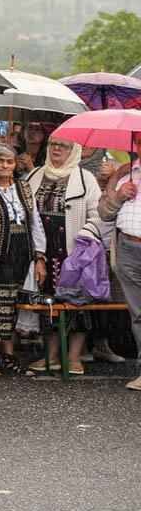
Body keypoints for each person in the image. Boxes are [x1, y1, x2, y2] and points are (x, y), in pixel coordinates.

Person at [27, 135, 102, 376]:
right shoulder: (33, 175)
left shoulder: (86, 178)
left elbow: (98, 215)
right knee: (48, 300)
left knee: (77, 302)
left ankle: (74, 356)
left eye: (64, 146)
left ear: (74, 150)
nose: (57, 149)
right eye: (53, 144)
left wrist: (85, 239)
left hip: (75, 250)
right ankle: (51, 355)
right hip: (43, 250)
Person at [0, 141, 40, 377]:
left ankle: (9, 356)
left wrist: (39, 257)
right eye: (0, 161)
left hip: (21, 254)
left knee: (13, 307)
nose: (5, 166)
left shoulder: (23, 187)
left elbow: (34, 223)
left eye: (10, 161)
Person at [95, 158, 141, 391]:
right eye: (139, 142)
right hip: (127, 247)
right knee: (138, 313)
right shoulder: (124, 172)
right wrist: (119, 195)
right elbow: (104, 212)